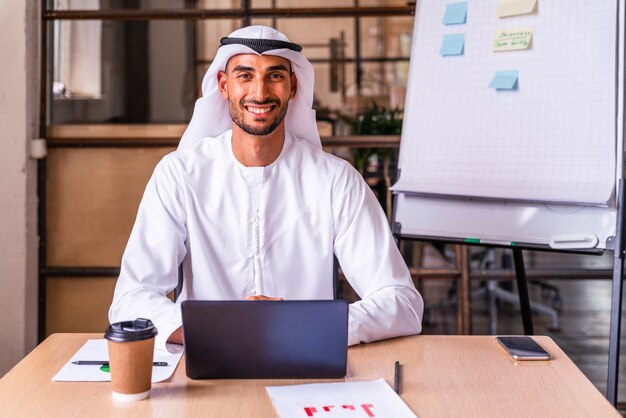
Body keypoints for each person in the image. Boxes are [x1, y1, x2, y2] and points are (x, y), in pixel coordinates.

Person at [109, 25, 424, 351]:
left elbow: (403, 302)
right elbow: (130, 299)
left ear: (292, 87)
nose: (259, 93)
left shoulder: (334, 181)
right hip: (204, 370)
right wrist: (212, 330)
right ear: (223, 86)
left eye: (274, 76)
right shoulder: (179, 175)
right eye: (244, 76)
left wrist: (300, 325)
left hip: (308, 364)